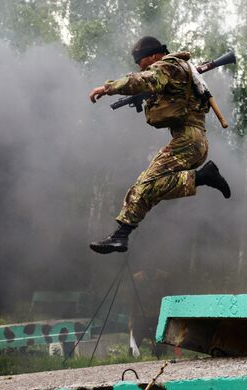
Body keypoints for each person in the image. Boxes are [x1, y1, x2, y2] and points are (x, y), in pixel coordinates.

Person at [88, 36, 231, 255]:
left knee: (146, 184)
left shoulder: (167, 66)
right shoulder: (176, 70)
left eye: (141, 61)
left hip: (189, 140)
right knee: (148, 185)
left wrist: (108, 88)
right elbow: (165, 92)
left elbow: (144, 80)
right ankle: (121, 236)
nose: (140, 66)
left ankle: (204, 176)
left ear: (154, 55)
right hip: (191, 140)